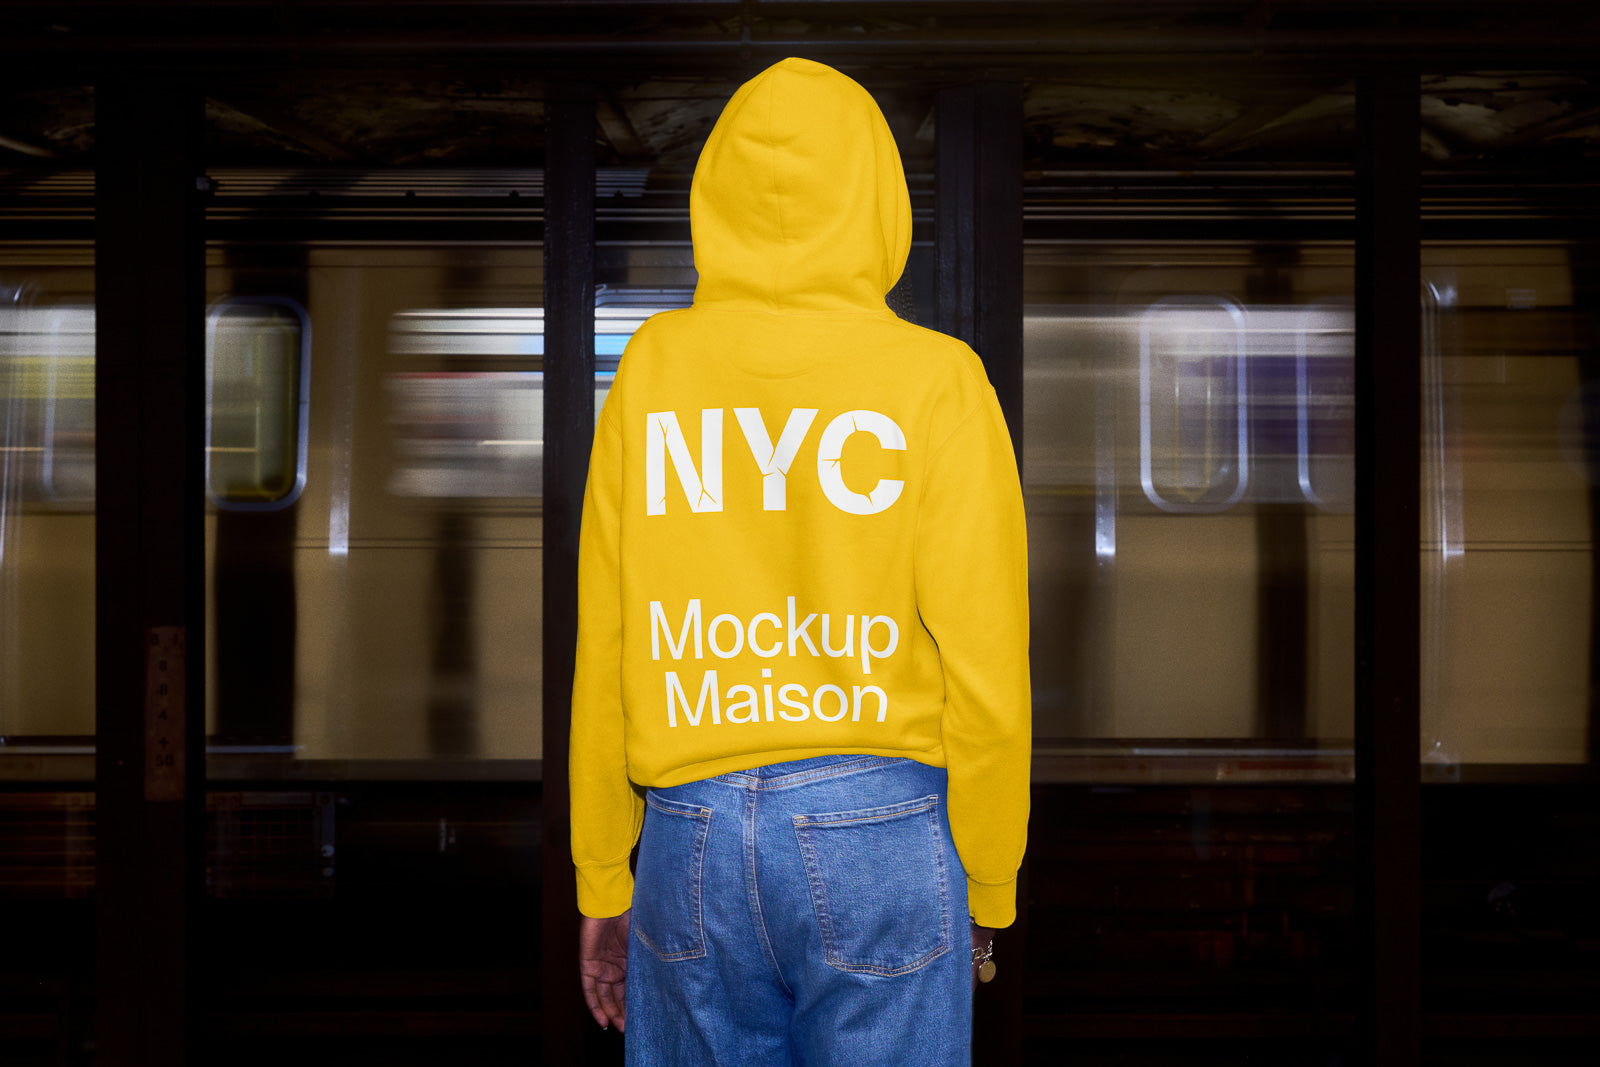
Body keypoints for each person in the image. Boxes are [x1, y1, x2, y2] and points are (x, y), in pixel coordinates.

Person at [569, 56, 1031, 1066]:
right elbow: (986, 660)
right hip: (882, 825)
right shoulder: (939, 381)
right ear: (876, 198)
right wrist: (987, 879)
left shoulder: (653, 370)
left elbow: (604, 635)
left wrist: (603, 875)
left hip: (687, 832)